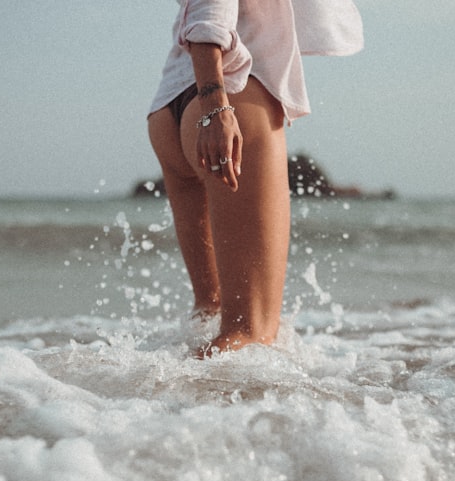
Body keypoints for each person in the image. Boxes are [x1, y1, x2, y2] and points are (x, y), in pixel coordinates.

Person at [147, 0, 363, 356]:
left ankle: (156, 410)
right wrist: (216, 105)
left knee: (209, 315)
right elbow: (209, 14)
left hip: (171, 105)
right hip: (228, 93)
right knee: (249, 335)